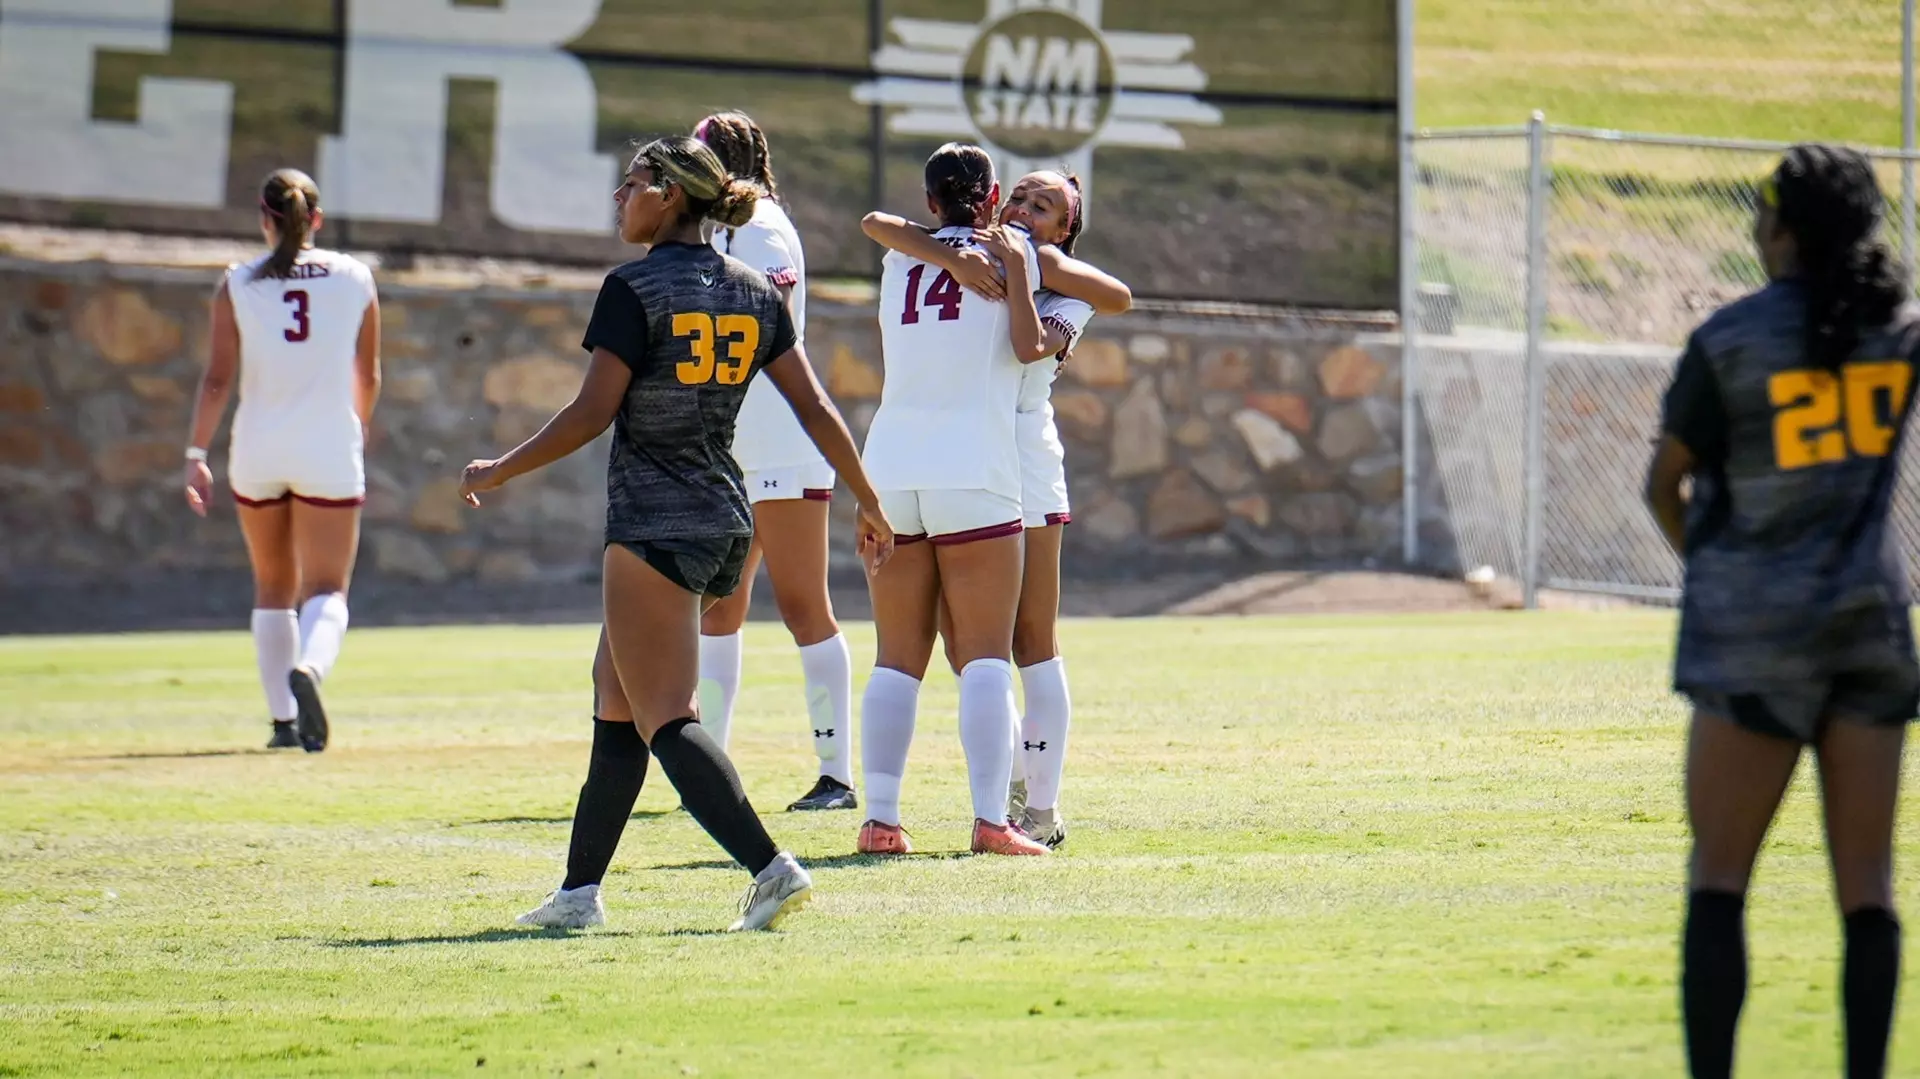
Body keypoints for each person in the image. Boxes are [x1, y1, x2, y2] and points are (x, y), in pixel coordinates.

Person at [459, 137, 892, 933]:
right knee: (616, 697)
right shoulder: (753, 288)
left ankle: (771, 868)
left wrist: (501, 469)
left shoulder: (632, 287)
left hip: (656, 522)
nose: (619, 200)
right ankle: (578, 894)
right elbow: (818, 409)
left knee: (665, 717)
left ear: (665, 194)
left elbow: (591, 413)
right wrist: (866, 498)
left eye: (629, 186)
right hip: (723, 517)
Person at [1645, 144, 1917, 1079]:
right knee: (1868, 889)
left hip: (1754, 634)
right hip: (1870, 629)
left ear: (1782, 228)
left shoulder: (1730, 339)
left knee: (1719, 878)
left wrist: (1720, 571)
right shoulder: (1899, 331)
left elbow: (1663, 484)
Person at [863, 170, 1131, 848]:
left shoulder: (1047, 267)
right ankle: (1006, 787)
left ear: (1064, 228)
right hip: (966, 463)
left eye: (1044, 206)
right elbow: (884, 226)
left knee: (1029, 640)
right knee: (964, 644)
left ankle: (1040, 803)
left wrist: (1023, 265)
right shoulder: (970, 252)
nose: (1025, 210)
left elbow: (1109, 300)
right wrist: (955, 255)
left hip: (1023, 464)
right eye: (1018, 197)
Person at [690, 111, 857, 813]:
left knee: (802, 604)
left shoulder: (762, 228)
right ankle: (708, 768)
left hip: (782, 440)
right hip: (732, 441)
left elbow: (770, 324)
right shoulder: (716, 228)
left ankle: (836, 774)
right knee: (719, 604)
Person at [183, 168, 379, 753]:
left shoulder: (238, 282)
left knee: (272, 585)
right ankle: (311, 670)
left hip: (257, 447)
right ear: (315, 219)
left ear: (264, 218)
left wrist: (196, 454)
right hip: (327, 445)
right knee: (327, 587)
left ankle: (282, 723)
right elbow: (366, 374)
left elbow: (218, 379)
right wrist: (358, 428)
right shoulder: (354, 276)